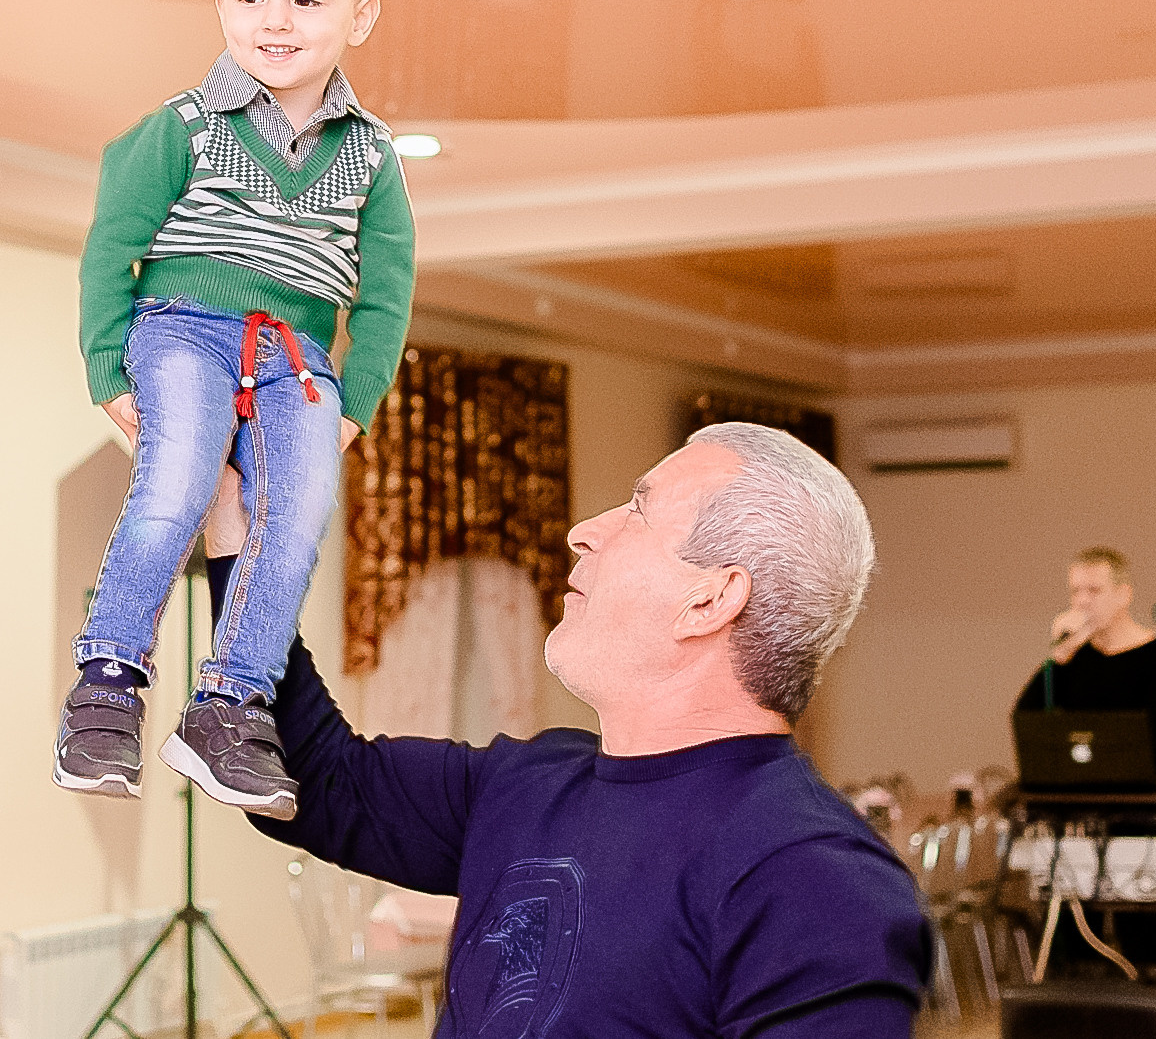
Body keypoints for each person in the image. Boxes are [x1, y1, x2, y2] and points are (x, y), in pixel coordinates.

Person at [213, 423, 930, 1036]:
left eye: (638, 511)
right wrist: (231, 523)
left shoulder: (818, 881)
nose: (584, 532)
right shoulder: (526, 784)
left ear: (710, 599)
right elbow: (308, 773)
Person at [53, 0, 415, 821]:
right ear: (220, 4)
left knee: (293, 520)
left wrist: (355, 400)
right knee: (176, 484)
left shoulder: (372, 157)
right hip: (180, 326)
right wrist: (105, 368)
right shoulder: (184, 126)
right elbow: (110, 247)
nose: (276, 21)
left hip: (299, 357)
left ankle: (229, 704)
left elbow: (385, 293)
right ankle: (106, 687)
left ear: (360, 15)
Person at [1015, 547, 1156, 774]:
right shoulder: (1071, 658)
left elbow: (1147, 733)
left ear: (1123, 595)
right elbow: (1026, 718)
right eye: (1075, 591)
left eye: (1094, 591)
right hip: (1072, 791)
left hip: (1137, 796)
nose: (1082, 601)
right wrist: (1062, 654)